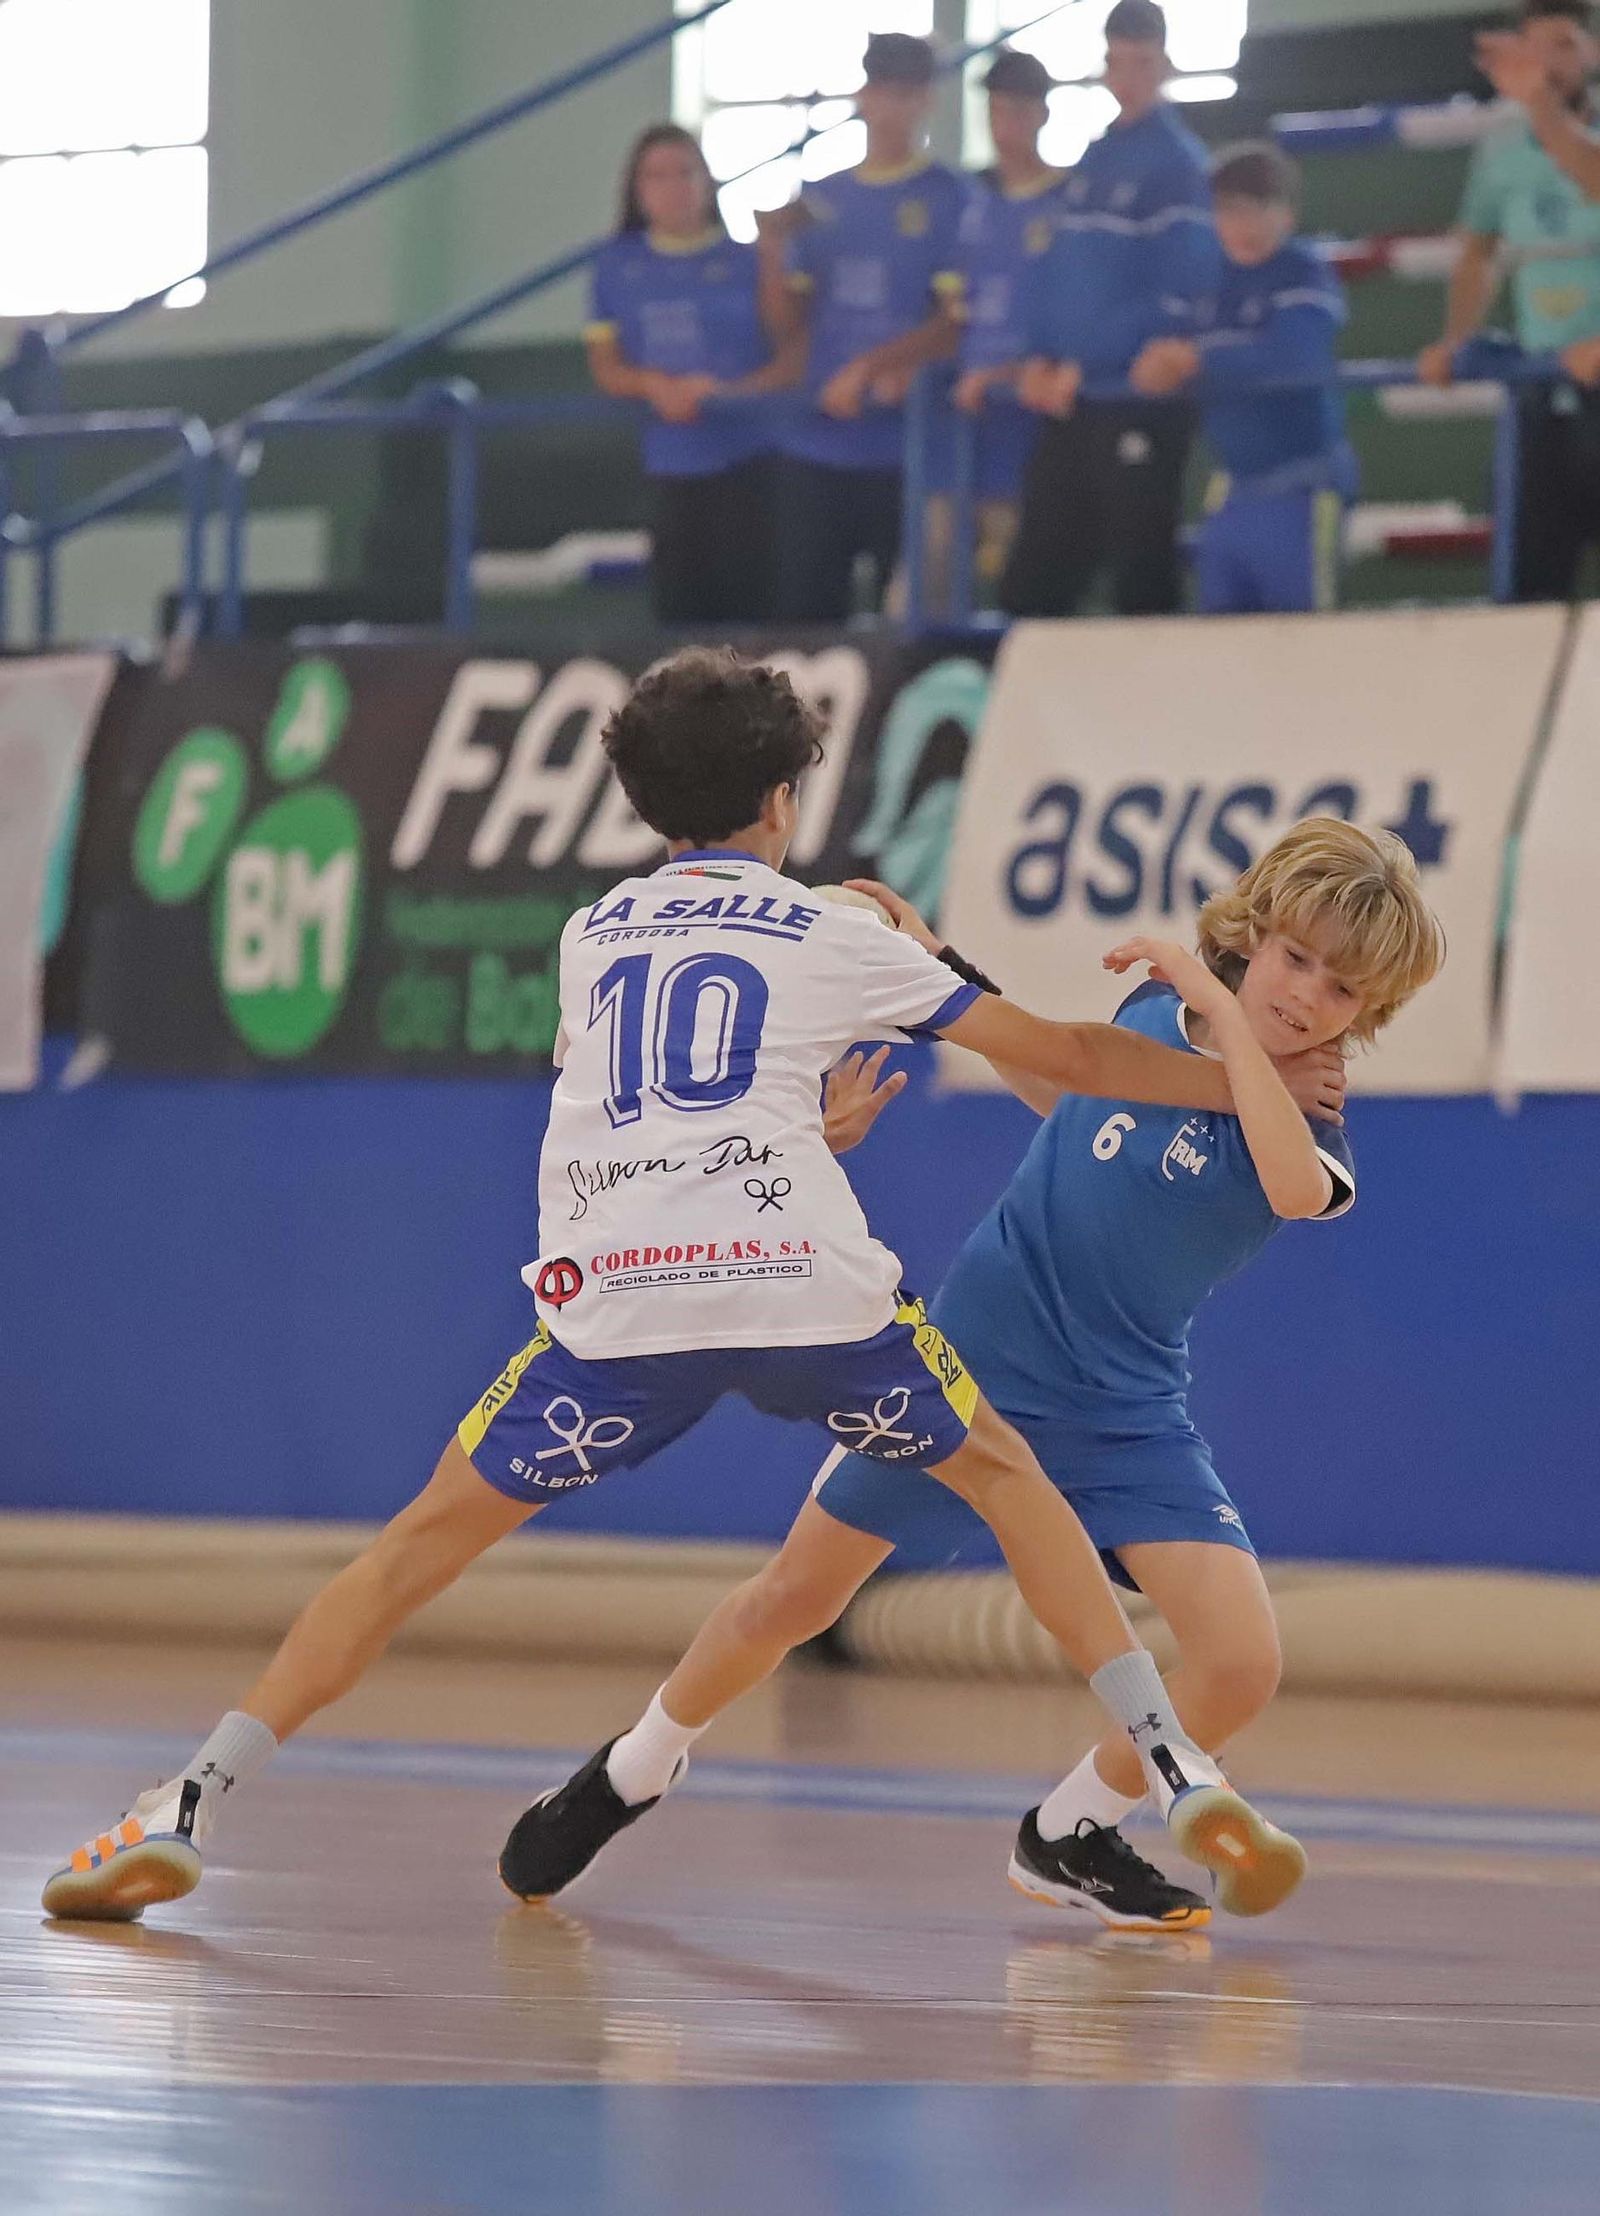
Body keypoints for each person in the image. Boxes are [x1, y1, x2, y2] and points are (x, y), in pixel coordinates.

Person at [41, 650, 1341, 1927]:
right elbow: (1062, 1053)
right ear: (785, 801)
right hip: (803, 1296)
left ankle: (190, 1799)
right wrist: (1245, 1073)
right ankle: (1169, 1763)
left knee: (409, 1552)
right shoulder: (835, 930)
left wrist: (792, 1131)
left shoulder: (590, 932)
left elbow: (649, 1108)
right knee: (1005, 1480)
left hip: (619, 1310)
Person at [539, 819, 1441, 1934]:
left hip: (1122, 1407)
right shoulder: (1153, 1015)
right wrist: (941, 963)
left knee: (1241, 1659)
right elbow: (1061, 1090)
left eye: (1341, 989)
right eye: (1294, 958)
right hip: (964, 1370)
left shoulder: (1301, 1113)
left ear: (1368, 1016)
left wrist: (1223, 1022)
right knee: (794, 1596)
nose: (1306, 995)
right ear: (1252, 935)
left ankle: (1069, 1830)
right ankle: (639, 1760)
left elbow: (1296, 1189)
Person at [1001, 0, 1220, 619]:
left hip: (1134, 400)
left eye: (1142, 62)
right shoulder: (1094, 159)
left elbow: (1181, 294)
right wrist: (1039, 359)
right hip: (1069, 400)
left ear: (1165, 66)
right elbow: (1060, 272)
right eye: (1116, 61)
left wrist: (1090, 364)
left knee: (1140, 573)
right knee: (1034, 581)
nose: (1128, 76)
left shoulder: (1181, 165)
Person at [761, 34, 968, 621]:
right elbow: (787, 327)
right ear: (862, 96)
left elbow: (955, 323)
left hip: (909, 448)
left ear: (927, 100)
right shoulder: (822, 198)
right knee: (806, 618)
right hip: (818, 441)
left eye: (908, 94)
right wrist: (772, 252)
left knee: (910, 621)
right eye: (883, 92)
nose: (894, 108)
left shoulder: (949, 198)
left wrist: (880, 366)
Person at [1418, 0, 1600, 599]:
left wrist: (1540, 107)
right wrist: (1454, 338)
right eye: (1537, 47)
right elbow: (1477, 252)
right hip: (1542, 383)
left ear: (1592, 53)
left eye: (1565, 45)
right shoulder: (1500, 148)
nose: (1550, 63)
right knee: (1531, 581)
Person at [586, 125, 800, 623]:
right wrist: (653, 386)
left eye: (685, 173)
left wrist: (729, 393)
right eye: (656, 176)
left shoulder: (745, 260)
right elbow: (607, 366)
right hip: (671, 469)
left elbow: (791, 352)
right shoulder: (615, 267)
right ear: (636, 190)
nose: (673, 188)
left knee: (753, 622)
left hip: (751, 462)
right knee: (680, 625)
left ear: (707, 182)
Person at [1131, 143, 1356, 615]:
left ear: (1287, 215)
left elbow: (1294, 355)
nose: (1243, 226)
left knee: (1303, 638)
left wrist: (1195, 359)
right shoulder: (1209, 284)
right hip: (1234, 490)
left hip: (1303, 488)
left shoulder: (1305, 273)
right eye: (1228, 211)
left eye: (1258, 211)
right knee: (1223, 638)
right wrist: (1155, 366)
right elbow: (1167, 349)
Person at [925, 46, 1067, 610]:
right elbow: (953, 309)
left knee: (1019, 580)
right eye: (995, 107)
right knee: (929, 577)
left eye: (1018, 107)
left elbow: (1073, 313)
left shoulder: (1068, 204)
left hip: (1034, 423)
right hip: (965, 423)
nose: (1005, 121)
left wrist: (1010, 371)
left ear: (1043, 113)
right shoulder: (972, 207)